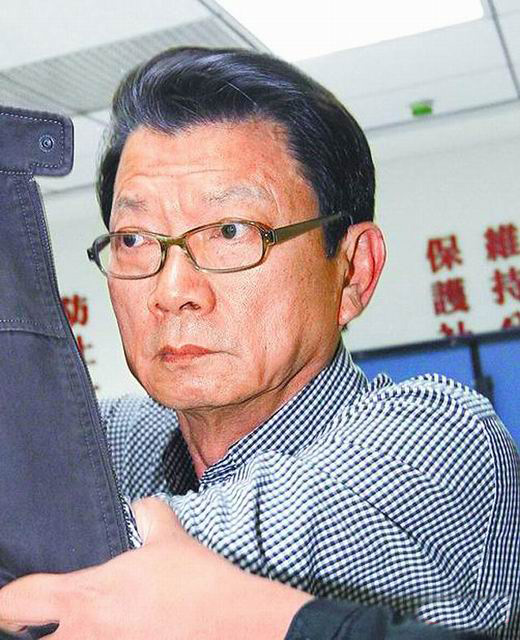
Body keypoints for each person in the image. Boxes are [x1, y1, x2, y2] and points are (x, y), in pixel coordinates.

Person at [0, 46, 518, 639]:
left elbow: (93, 578)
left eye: (230, 231)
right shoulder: (115, 438)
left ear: (353, 272)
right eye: (135, 240)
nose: (173, 291)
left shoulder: (440, 441)